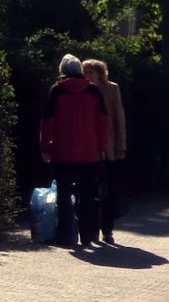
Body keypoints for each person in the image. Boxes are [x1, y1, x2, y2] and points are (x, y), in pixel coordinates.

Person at [40, 54, 109, 247]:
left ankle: (64, 236)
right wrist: (100, 147)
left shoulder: (57, 90)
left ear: (62, 70)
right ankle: (87, 235)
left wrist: (45, 147)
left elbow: (47, 122)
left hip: (62, 151)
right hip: (89, 152)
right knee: (87, 195)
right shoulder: (93, 91)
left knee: (63, 195)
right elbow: (103, 122)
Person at [81, 59, 126, 243]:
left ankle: (107, 229)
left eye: (91, 72)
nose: (88, 76)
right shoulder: (82, 90)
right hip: (89, 148)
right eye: (85, 72)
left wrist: (121, 145)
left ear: (100, 74)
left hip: (109, 147)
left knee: (110, 190)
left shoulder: (112, 89)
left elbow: (119, 117)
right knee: (91, 191)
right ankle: (92, 230)